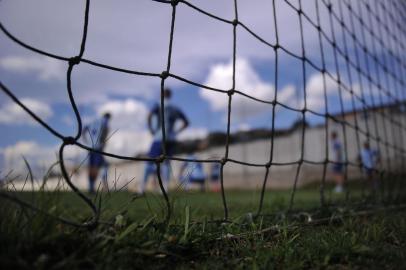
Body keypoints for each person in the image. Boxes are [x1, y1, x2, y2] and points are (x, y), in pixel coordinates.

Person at [140, 88, 189, 194]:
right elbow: (186, 122)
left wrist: (151, 129)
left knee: (150, 161)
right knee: (166, 163)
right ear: (170, 95)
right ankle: (164, 189)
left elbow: (149, 116)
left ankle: (142, 188)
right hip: (171, 139)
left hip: (159, 137)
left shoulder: (159, 104)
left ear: (162, 94)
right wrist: (176, 132)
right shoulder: (175, 108)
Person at [82, 112, 111, 194]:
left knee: (95, 167)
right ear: (107, 117)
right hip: (97, 148)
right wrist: (103, 142)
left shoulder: (93, 122)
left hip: (90, 148)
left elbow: (83, 129)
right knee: (96, 167)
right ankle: (97, 187)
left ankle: (92, 187)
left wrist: (85, 140)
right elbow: (105, 130)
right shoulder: (105, 121)